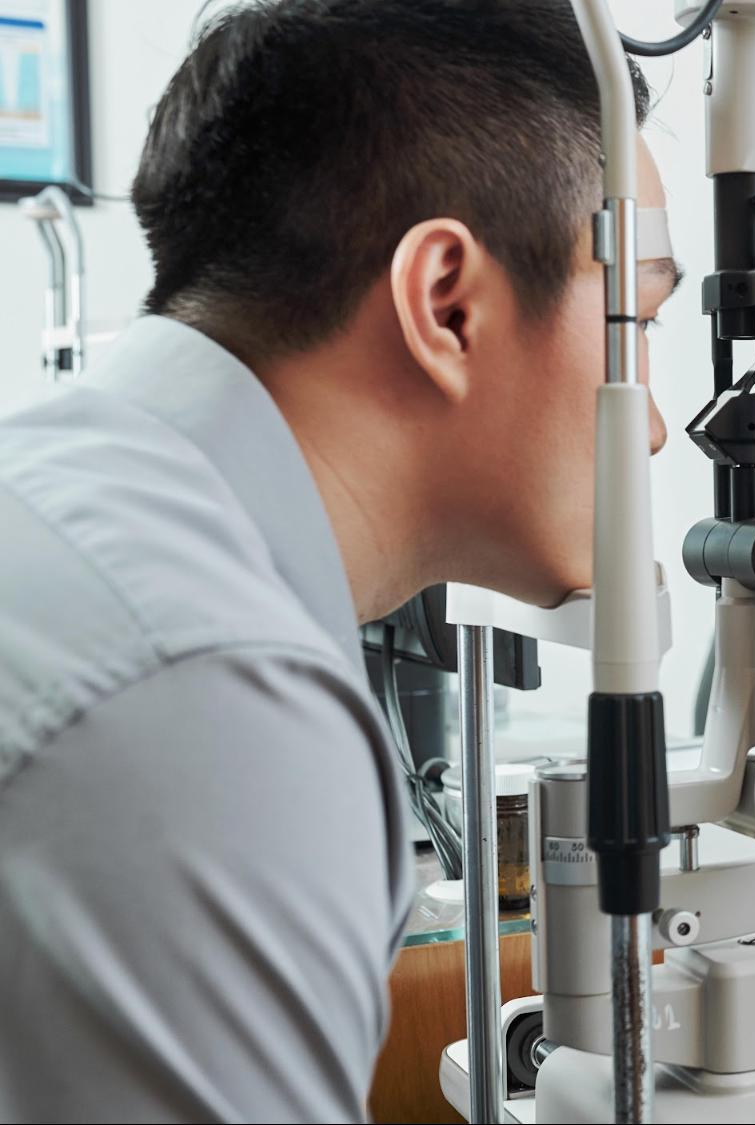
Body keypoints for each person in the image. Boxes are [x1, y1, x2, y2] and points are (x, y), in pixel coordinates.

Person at [0, 3, 675, 1118]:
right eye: (634, 329)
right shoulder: (209, 694)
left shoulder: (81, 514)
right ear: (446, 304)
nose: (650, 427)